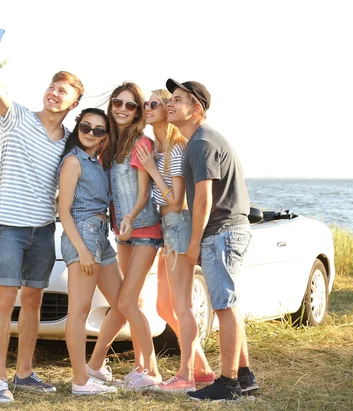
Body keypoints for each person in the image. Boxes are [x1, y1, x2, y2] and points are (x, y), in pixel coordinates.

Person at [0, 26, 84, 403]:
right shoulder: (17, 116)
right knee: (5, 302)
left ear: (72, 103)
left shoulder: (69, 139)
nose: (54, 93)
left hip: (43, 229)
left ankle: (24, 373)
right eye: (52, 86)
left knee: (33, 301)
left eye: (63, 91)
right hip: (9, 227)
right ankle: (0, 379)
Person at [164, 78, 259, 402]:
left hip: (222, 232)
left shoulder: (202, 142)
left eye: (178, 99)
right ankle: (244, 376)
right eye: (171, 98)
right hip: (226, 231)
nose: (170, 103)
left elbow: (202, 199)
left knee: (224, 306)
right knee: (228, 304)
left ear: (197, 109)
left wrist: (193, 244)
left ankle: (228, 383)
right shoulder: (201, 140)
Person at [135, 89, 216, 393]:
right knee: (163, 306)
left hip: (178, 225)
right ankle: (203, 369)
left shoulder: (177, 149)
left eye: (156, 103)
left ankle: (186, 375)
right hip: (166, 227)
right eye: (148, 104)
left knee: (181, 305)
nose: (149, 108)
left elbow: (179, 199)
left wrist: (153, 171)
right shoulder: (155, 147)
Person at [58, 108, 126, 395]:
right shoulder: (74, 161)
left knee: (123, 304)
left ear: (105, 137)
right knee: (80, 311)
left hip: (101, 236)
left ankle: (94, 365)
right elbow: (63, 211)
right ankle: (80, 382)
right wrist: (82, 250)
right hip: (82, 236)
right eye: (86, 126)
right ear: (78, 127)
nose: (91, 133)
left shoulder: (98, 163)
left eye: (99, 130)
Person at [102, 82, 163, 390]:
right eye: (118, 103)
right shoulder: (111, 144)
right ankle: (140, 367)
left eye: (130, 105)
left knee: (125, 301)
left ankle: (152, 372)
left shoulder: (142, 143)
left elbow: (143, 193)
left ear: (138, 112)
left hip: (145, 231)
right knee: (133, 300)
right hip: (123, 233)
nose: (123, 109)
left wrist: (128, 216)